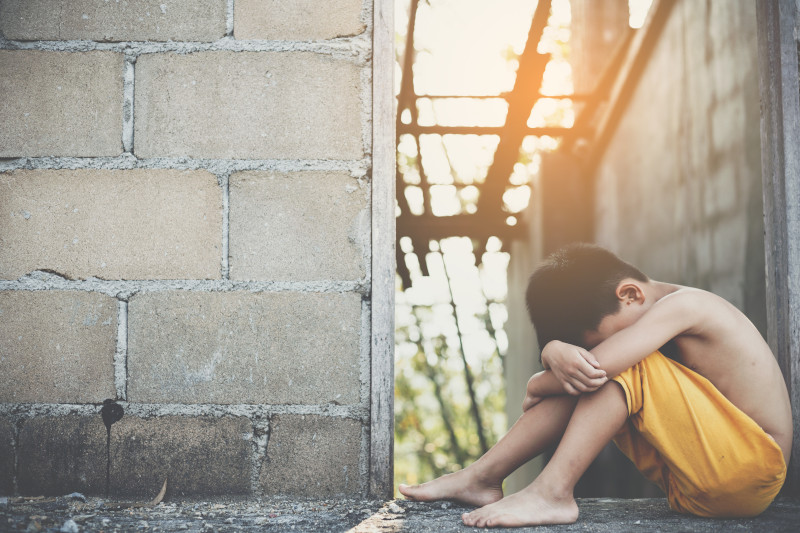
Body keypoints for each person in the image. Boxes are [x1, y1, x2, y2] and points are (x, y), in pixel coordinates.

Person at [398, 243, 792, 528]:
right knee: (588, 373)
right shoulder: (652, 311)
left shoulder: (688, 306)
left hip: (751, 469)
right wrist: (553, 351)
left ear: (631, 294)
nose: (601, 350)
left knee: (615, 369)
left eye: (598, 341)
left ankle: (552, 492)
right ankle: (481, 478)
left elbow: (603, 366)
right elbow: (594, 367)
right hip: (693, 484)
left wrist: (540, 381)